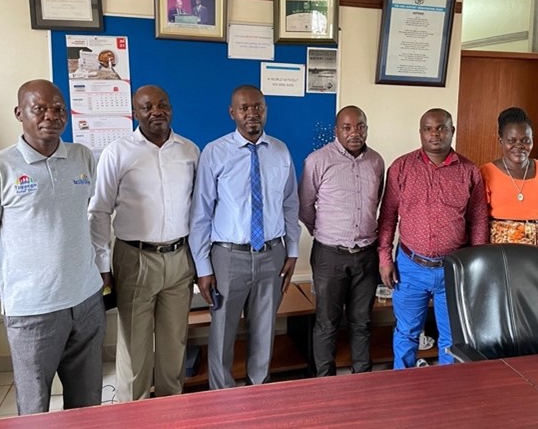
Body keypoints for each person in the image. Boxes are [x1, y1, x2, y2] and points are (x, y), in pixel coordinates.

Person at [0, 79, 107, 415]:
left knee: (87, 401)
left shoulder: (82, 157)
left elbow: (79, 216)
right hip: (33, 308)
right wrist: (16, 280)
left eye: (58, 108)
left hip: (86, 299)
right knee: (34, 406)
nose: (51, 116)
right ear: (19, 113)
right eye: (39, 108)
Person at [88, 85, 199, 402]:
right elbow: (98, 211)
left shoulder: (189, 151)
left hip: (179, 257)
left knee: (174, 342)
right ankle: (132, 413)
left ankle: (171, 408)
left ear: (171, 109)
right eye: (147, 107)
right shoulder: (118, 152)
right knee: (135, 347)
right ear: (135, 113)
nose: (156, 111)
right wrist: (102, 264)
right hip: (134, 257)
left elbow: (200, 208)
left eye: (162, 104)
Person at [190, 85, 301, 389]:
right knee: (222, 329)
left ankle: (259, 390)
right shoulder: (215, 151)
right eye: (245, 108)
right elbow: (201, 213)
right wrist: (203, 268)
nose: (252, 113)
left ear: (265, 110)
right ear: (232, 113)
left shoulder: (280, 150)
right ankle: (221, 395)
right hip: (228, 256)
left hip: (272, 254)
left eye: (258, 107)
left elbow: (290, 203)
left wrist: (292, 251)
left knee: (265, 328)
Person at [378, 108, 488, 368]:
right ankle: (402, 388)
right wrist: (384, 257)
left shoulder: (469, 171)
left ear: (452, 131)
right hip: (410, 267)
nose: (434, 133)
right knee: (406, 334)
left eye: (441, 128)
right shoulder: (401, 168)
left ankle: (445, 393)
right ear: (420, 133)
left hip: (453, 269)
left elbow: (479, 220)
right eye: (428, 128)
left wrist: (476, 267)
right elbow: (388, 216)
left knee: (451, 338)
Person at [299, 106, 384, 376]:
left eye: (360, 126)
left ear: (367, 128)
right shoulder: (318, 160)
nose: (354, 132)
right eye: (347, 127)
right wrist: (325, 232)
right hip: (329, 256)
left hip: (366, 254)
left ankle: (362, 378)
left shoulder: (377, 162)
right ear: (336, 131)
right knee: (327, 323)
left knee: (362, 322)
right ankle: (325, 383)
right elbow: (305, 207)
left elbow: (377, 202)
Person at [479, 107, 538, 253]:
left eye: (525, 140)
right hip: (500, 255)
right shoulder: (485, 172)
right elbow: (478, 223)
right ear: (501, 140)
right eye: (511, 140)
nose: (519, 146)